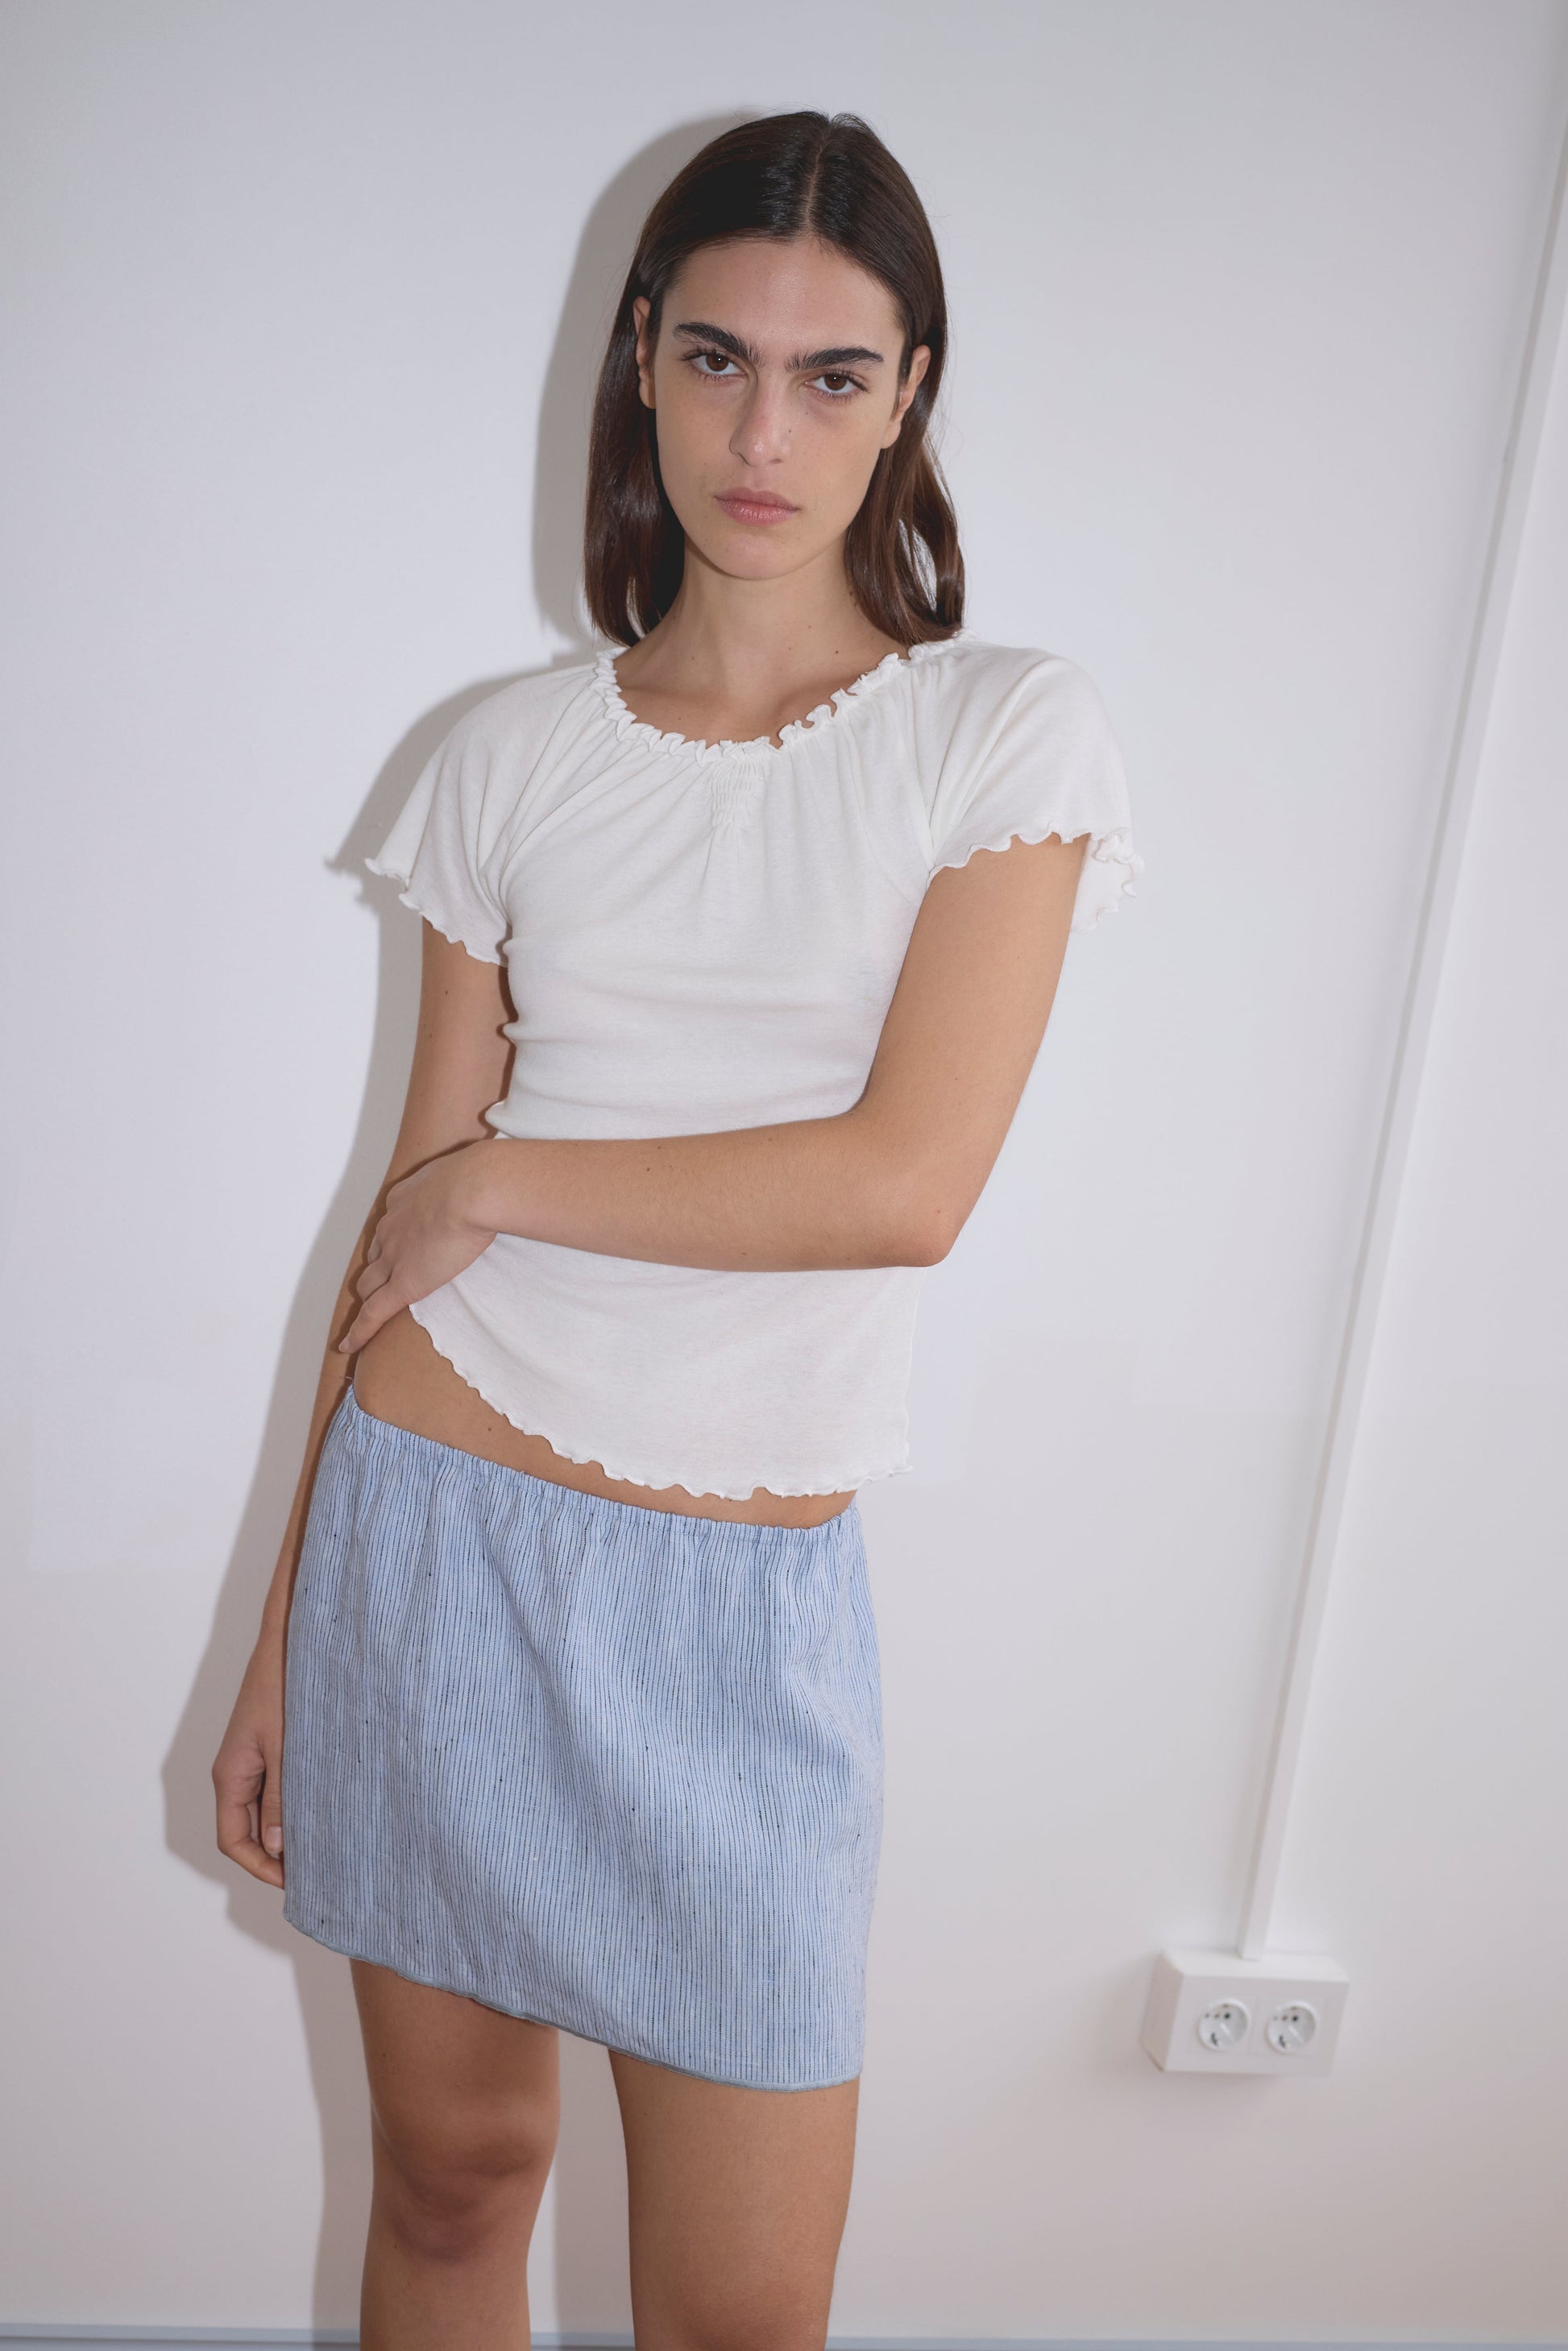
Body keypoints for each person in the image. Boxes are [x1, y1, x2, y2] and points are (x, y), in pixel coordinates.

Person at [213, 107, 1139, 2351]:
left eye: (833, 375)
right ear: (638, 364)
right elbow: (389, 1236)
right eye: (716, 358)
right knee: (453, 2187)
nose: (765, 425)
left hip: (740, 1620)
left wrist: (504, 1181)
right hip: (431, 1545)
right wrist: (274, 1639)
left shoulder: (993, 737)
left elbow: (897, 1189)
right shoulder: (506, 753)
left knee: (741, 2313)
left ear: (907, 392)